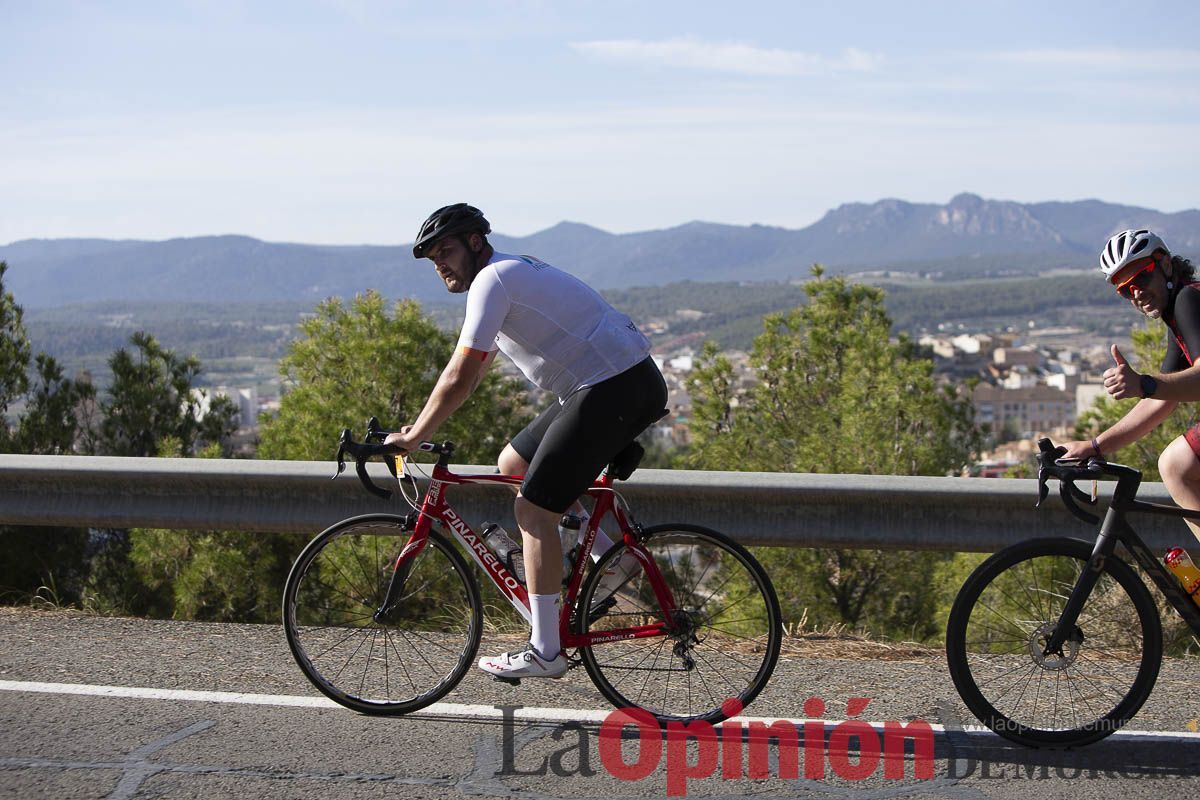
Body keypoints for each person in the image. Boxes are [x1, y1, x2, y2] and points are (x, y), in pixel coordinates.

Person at [384, 203, 668, 679]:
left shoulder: (492, 280)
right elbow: (472, 377)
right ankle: (609, 563)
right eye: (433, 258)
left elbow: (460, 373)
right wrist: (427, 426)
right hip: (611, 382)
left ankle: (546, 651)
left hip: (614, 384)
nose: (440, 265)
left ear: (476, 242)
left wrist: (415, 435)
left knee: (534, 509)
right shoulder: (504, 277)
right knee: (513, 464)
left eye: (446, 251)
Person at [1059, 229, 1200, 539]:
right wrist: (1095, 446)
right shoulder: (1179, 309)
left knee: (1177, 465)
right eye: (1125, 289)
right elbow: (1162, 399)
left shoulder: (1188, 300)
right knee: (1178, 464)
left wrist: (1144, 384)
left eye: (1141, 278)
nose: (1136, 293)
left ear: (1164, 264)